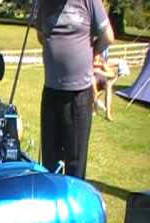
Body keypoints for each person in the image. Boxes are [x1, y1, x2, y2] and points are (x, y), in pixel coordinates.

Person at [36, 0, 114, 179]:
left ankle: (72, 203)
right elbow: (41, 35)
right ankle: (52, 201)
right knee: (49, 161)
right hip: (51, 92)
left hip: (78, 95)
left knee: (75, 163)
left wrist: (93, 52)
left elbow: (108, 36)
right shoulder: (44, 3)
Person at [92, 52, 117, 121]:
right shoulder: (89, 62)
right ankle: (94, 108)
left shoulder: (102, 63)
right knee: (92, 79)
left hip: (102, 80)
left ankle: (108, 114)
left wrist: (100, 71)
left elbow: (112, 74)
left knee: (108, 85)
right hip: (93, 82)